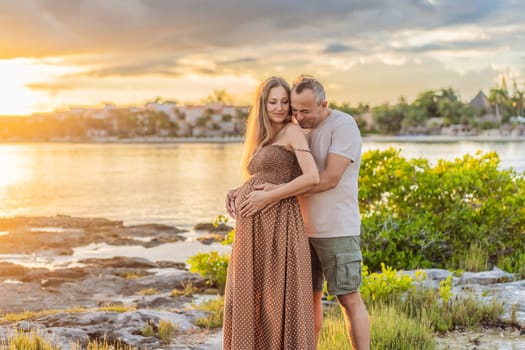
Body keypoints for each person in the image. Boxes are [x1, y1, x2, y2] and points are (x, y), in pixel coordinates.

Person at [237, 75, 371, 350]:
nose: (297, 116)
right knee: (306, 303)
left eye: (305, 111)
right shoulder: (296, 128)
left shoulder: (343, 125)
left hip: (336, 229)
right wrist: (245, 191)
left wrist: (271, 195)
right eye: (294, 109)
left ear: (324, 104)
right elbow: (277, 171)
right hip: (297, 230)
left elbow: (328, 178)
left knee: (348, 298)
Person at [222, 76, 319, 350]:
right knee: (249, 296)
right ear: (262, 105)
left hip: (280, 225)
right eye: (272, 101)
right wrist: (239, 190)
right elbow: (266, 175)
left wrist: (268, 197)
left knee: (276, 299)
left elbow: (311, 177)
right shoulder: (264, 137)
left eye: (284, 101)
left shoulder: (292, 131)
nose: (278, 107)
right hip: (253, 228)